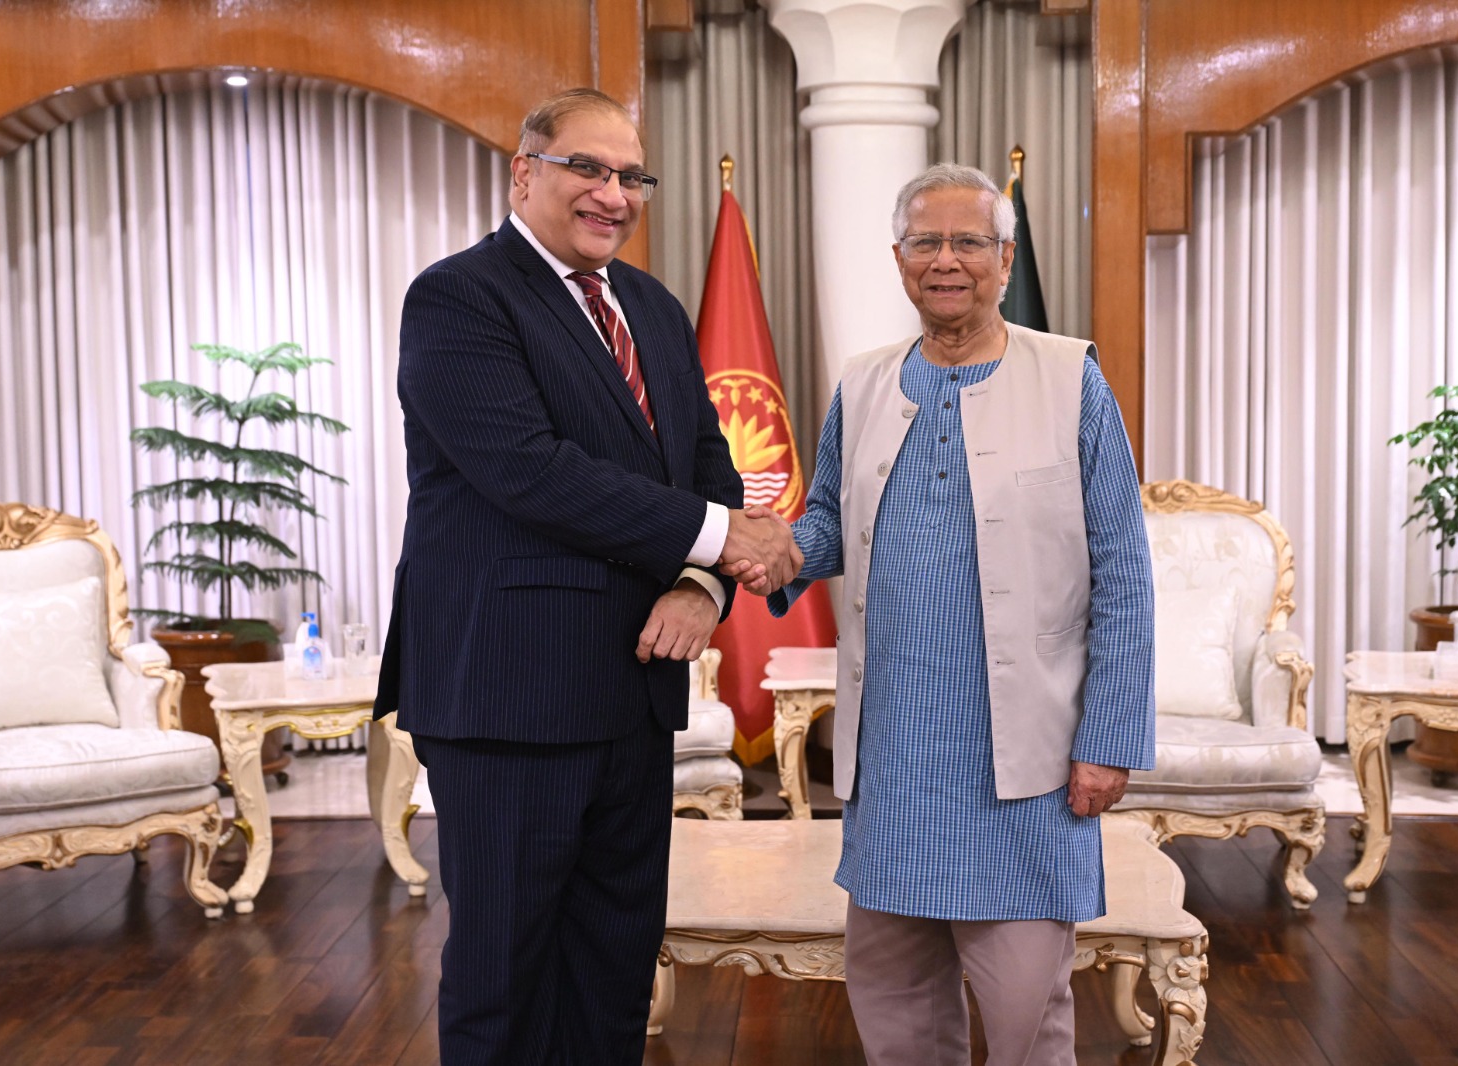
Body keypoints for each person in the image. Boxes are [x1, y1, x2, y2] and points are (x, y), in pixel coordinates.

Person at [374, 88, 800, 1065]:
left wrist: (702, 588)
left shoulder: (651, 305)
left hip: (631, 693)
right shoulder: (458, 297)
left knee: (612, 968)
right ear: (523, 172)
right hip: (507, 694)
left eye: (630, 176)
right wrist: (724, 536)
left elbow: (705, 461)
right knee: (504, 976)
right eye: (588, 169)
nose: (613, 194)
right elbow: (531, 473)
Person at [728, 163, 1155, 1064]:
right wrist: (773, 550)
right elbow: (827, 523)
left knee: (1026, 1017)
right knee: (897, 1010)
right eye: (927, 241)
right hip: (896, 758)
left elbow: (1124, 570)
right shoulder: (865, 383)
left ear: (1005, 260)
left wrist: (1110, 736)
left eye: (969, 242)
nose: (947, 260)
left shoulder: (1071, 379)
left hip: (1027, 764)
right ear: (899, 259)